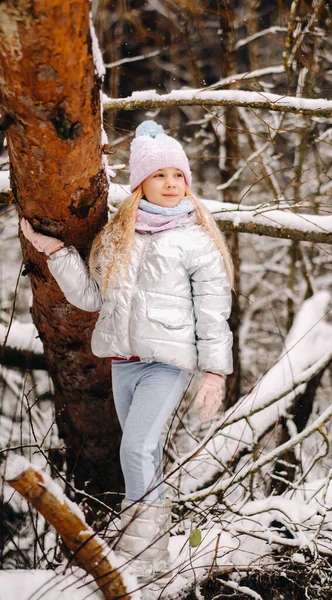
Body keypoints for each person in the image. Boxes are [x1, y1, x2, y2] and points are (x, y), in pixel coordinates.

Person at [20, 120, 233, 579]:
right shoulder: (119, 237)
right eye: (161, 176)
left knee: (135, 448)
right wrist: (53, 252)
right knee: (144, 454)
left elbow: (213, 312)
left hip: (167, 363)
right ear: (140, 183)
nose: (172, 184)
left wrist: (214, 372)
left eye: (178, 176)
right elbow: (95, 298)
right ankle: (152, 555)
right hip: (124, 363)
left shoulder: (197, 241)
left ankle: (145, 554)